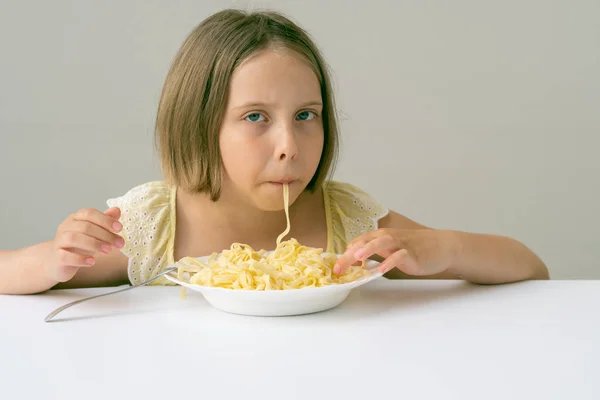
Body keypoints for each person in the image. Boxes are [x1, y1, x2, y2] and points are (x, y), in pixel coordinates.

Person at [0, 9, 549, 295]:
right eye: (255, 118)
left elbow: (528, 268)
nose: (290, 147)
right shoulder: (156, 224)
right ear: (200, 124)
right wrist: (50, 261)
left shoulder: (346, 219)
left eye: (306, 116)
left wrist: (443, 249)